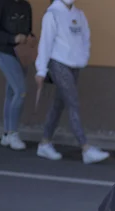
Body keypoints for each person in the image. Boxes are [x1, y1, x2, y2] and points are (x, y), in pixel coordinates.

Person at [34, 0, 109, 164]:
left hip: (75, 65)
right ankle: (85, 148)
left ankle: (44, 143)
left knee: (59, 104)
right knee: (73, 103)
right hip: (58, 63)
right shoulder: (52, 14)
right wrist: (41, 69)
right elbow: (45, 43)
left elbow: (85, 37)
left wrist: (83, 57)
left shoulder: (79, 15)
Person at [0, 0, 33, 151]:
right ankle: (13, 133)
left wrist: (30, 37)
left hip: (21, 54)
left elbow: (28, 29)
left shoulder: (26, 6)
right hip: (4, 53)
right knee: (21, 91)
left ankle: (6, 134)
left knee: (11, 93)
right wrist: (12, 39)